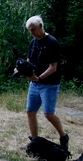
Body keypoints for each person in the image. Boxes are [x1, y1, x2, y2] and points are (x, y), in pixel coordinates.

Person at [24, 15, 69, 149]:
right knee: (30, 111)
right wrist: (24, 70)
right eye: (29, 31)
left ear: (41, 27)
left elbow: (53, 67)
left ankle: (63, 136)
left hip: (49, 84)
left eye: (33, 30)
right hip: (35, 84)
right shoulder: (33, 43)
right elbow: (29, 61)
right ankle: (35, 140)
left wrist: (39, 78)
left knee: (48, 113)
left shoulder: (52, 42)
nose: (32, 33)